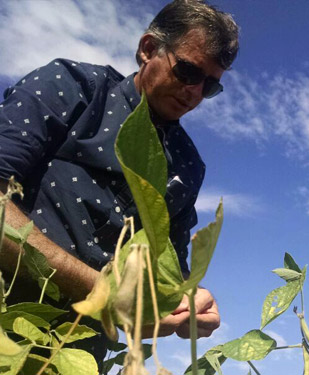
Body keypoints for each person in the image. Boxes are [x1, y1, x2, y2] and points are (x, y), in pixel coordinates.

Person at [0, 0, 239, 367]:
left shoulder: (187, 165)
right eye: (189, 72)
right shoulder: (72, 87)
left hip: (79, 356)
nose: (195, 92)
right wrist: (106, 292)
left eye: (209, 87)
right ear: (148, 49)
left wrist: (188, 303)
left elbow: (162, 281)